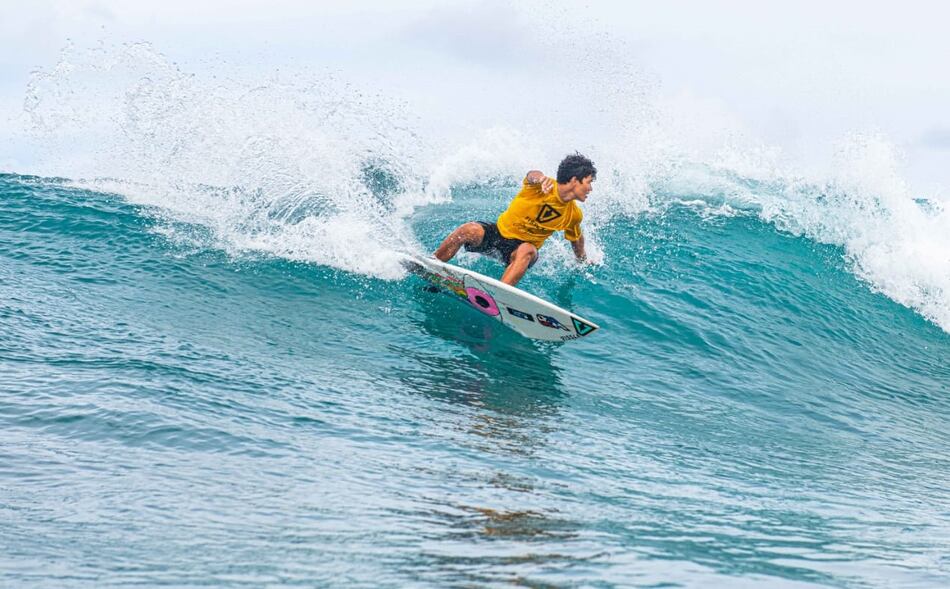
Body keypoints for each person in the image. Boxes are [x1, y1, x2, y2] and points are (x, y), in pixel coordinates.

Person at [433, 153, 596, 286]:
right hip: (498, 234)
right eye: (588, 182)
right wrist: (540, 178)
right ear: (575, 180)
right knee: (469, 230)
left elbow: (576, 239)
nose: (590, 188)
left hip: (519, 252)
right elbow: (532, 175)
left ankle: (499, 295)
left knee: (527, 249)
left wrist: (582, 260)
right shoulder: (542, 185)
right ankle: (432, 265)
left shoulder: (573, 214)